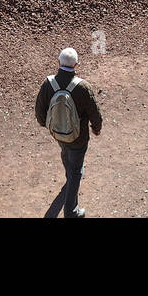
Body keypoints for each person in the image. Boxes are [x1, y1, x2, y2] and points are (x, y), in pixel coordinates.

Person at [35, 47, 102, 218]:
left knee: (65, 153)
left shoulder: (48, 84)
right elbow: (95, 112)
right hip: (79, 137)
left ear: (58, 63)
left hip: (58, 134)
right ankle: (71, 211)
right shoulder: (83, 87)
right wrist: (96, 128)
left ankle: (69, 178)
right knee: (76, 170)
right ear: (76, 65)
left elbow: (40, 111)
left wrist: (48, 126)